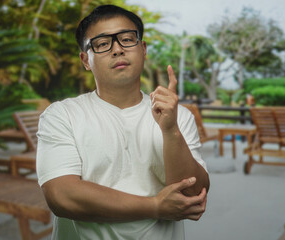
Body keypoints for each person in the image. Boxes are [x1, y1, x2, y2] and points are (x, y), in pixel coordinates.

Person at [36, 4, 210, 240]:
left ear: (143, 49)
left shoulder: (179, 117)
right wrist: (155, 206)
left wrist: (170, 131)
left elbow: (193, 194)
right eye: (102, 44)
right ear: (86, 60)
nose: (117, 49)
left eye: (127, 39)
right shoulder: (62, 115)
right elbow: (62, 196)